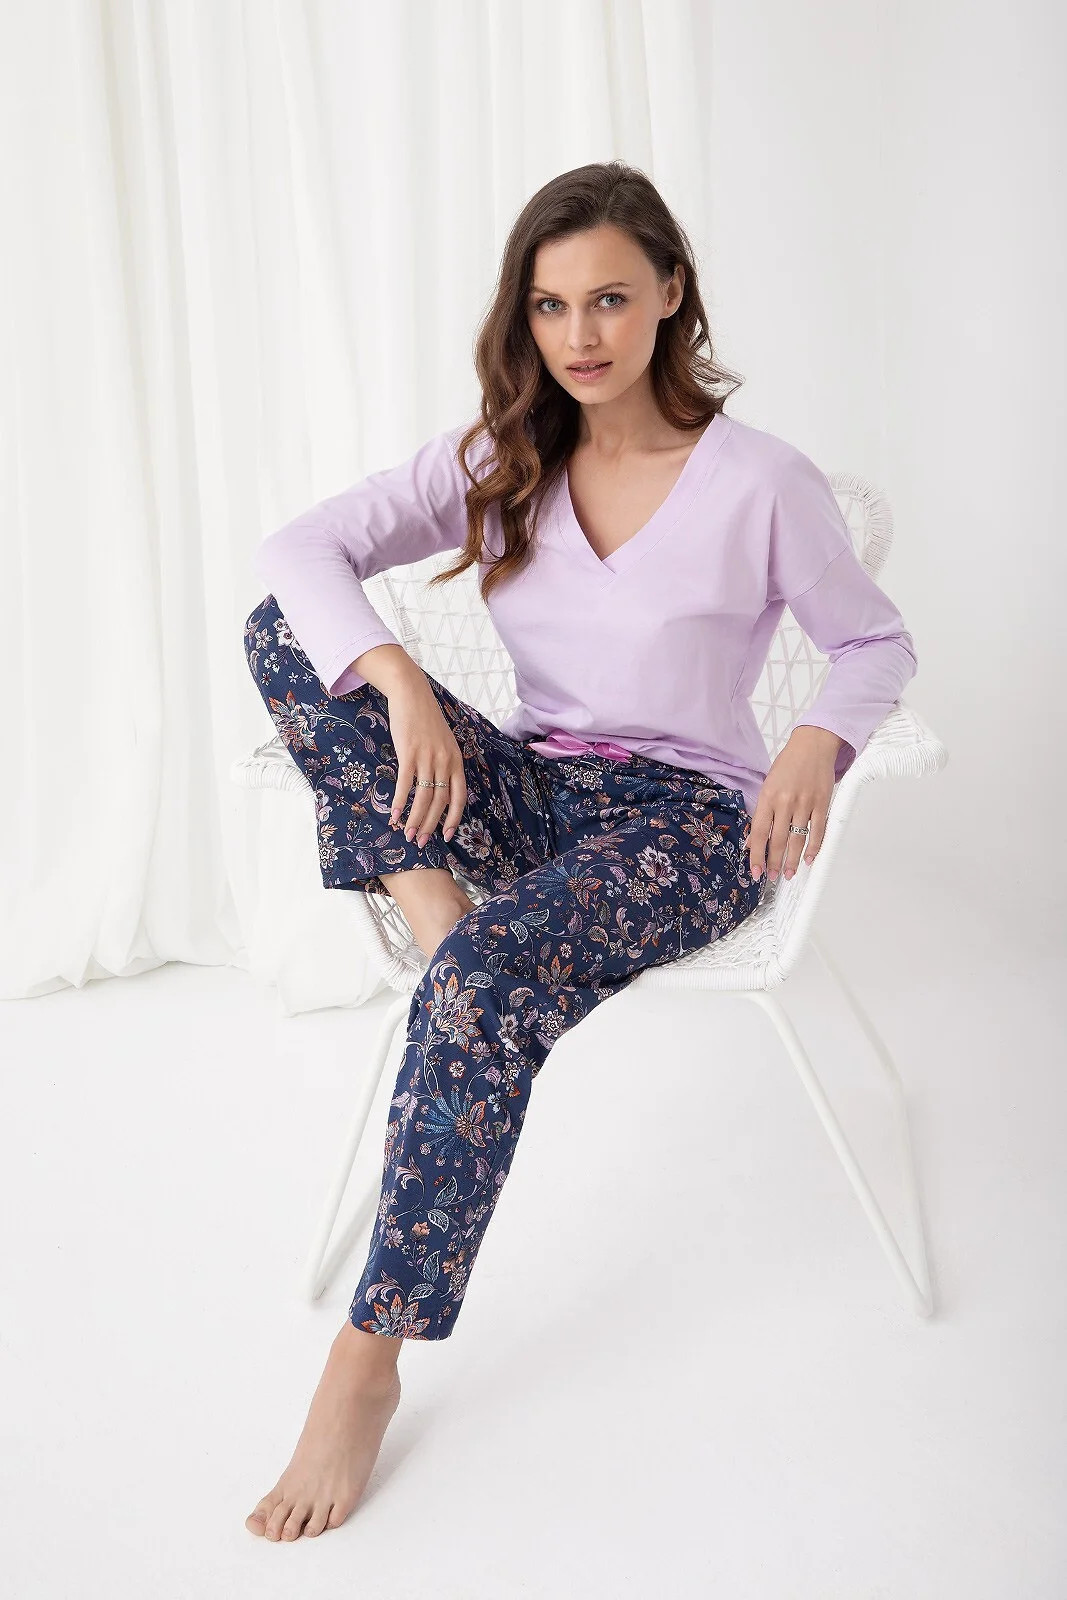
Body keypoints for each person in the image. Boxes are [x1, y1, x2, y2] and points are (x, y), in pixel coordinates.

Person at [241, 160, 918, 1541]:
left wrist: (815, 740)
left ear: (670, 293)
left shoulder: (762, 483)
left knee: (488, 981)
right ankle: (437, 909)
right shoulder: (507, 454)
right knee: (286, 636)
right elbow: (298, 552)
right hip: (535, 789)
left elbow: (875, 641)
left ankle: (366, 1362)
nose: (580, 335)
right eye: (551, 307)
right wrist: (400, 675)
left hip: (689, 826)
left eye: (610, 298)